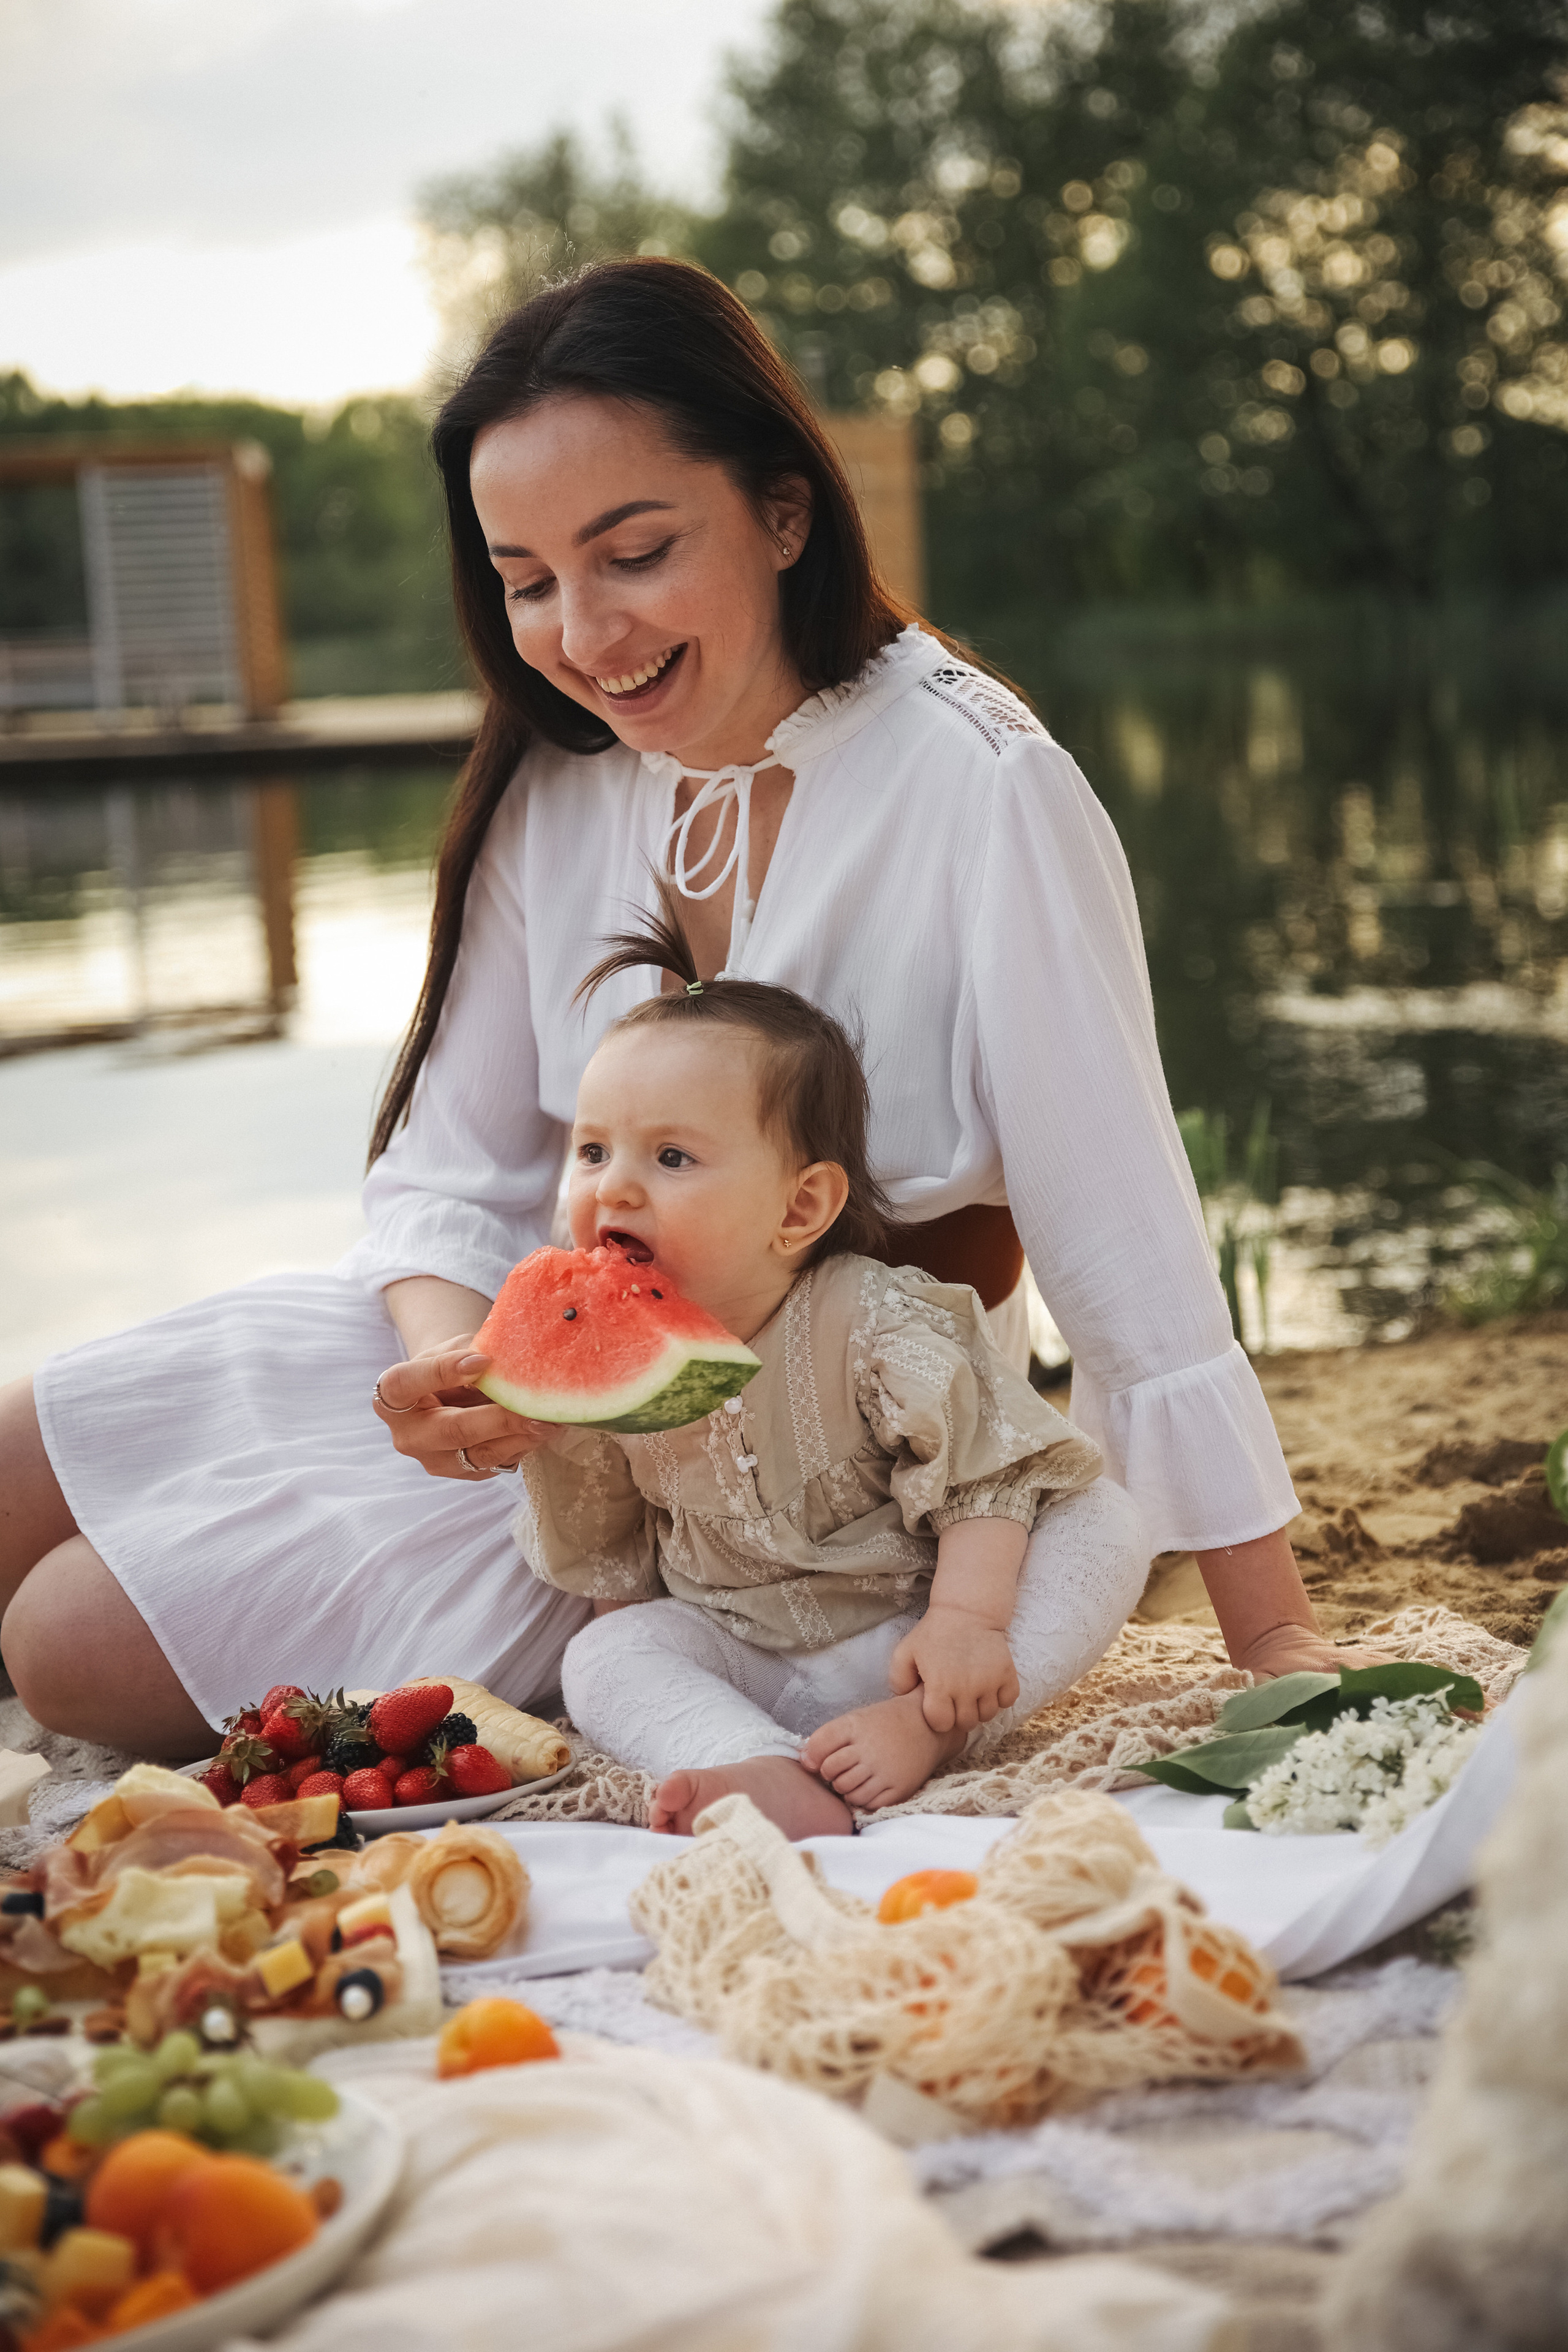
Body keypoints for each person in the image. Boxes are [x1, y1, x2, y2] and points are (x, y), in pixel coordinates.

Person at [0, 257, 1352, 1761]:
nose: (582, 636)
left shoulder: (980, 786)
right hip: (511, 1388)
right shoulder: (559, 765)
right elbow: (452, 1169)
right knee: (7, 1470)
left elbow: (1127, 1242)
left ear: (784, 514)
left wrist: (1269, 1629)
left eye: (632, 553)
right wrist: (461, 1373)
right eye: (524, 582)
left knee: (63, 1642)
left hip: (796, 1476)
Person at [500, 913, 1131, 1839]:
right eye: (593, 1152)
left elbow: (985, 1473)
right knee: (605, 1656)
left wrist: (963, 1623)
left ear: (801, 1208)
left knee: (1104, 1525)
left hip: (922, 1635)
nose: (615, 1188)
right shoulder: (613, 1357)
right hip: (749, 1652)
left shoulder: (873, 1320)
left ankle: (936, 1734)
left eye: (671, 1157)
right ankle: (761, 1764)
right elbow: (616, 1564)